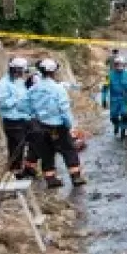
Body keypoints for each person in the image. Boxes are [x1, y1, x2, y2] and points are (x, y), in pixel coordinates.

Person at [29, 58, 84, 188]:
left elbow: (26, 108)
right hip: (58, 126)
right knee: (68, 150)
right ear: (54, 72)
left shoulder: (33, 89)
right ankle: (75, 177)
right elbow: (64, 109)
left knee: (46, 152)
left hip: (40, 126)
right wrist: (70, 125)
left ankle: (51, 179)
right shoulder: (58, 89)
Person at [0, 56, 37, 178]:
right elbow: (2, 103)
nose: (22, 74)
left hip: (25, 118)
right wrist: (17, 98)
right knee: (17, 147)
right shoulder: (3, 84)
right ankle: (15, 172)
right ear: (15, 70)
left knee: (37, 140)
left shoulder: (19, 81)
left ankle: (29, 166)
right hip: (12, 121)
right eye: (21, 72)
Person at [100, 55, 127, 138]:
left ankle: (123, 131)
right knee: (113, 117)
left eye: (121, 64)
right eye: (118, 64)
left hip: (124, 99)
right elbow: (105, 88)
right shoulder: (110, 75)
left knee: (124, 115)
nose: (119, 66)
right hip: (114, 100)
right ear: (115, 65)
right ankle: (116, 125)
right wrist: (103, 99)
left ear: (124, 65)